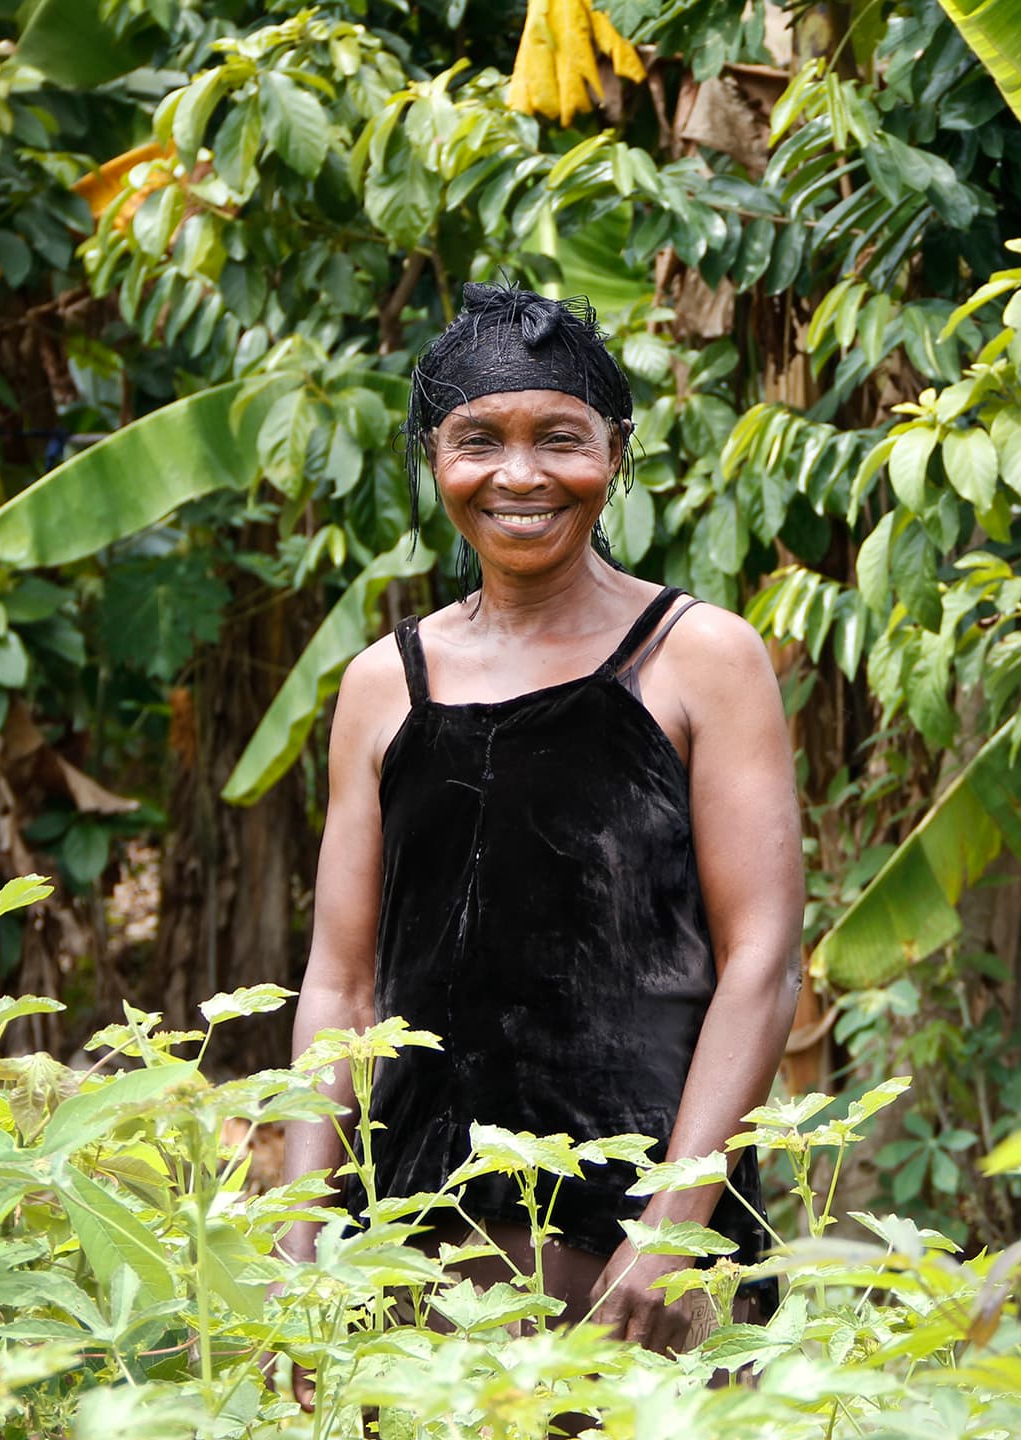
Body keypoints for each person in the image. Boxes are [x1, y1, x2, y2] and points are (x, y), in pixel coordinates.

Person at [275, 283, 804, 1408]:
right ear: (434, 459)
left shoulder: (701, 657)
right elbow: (341, 979)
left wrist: (674, 1228)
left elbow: (763, 963)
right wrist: (299, 1241)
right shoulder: (384, 684)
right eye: (480, 441)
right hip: (417, 1243)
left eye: (559, 438)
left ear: (614, 451)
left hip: (644, 1249)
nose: (520, 475)